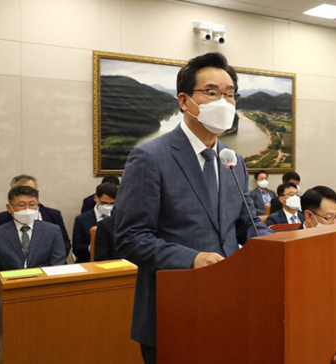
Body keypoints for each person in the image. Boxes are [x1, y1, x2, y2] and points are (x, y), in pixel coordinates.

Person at [114, 52, 272, 364]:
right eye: (212, 93)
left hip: (228, 305)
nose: (223, 102)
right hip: (174, 308)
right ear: (185, 101)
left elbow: (248, 223)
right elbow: (130, 237)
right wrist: (192, 259)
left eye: (229, 95)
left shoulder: (232, 160)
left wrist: (280, 246)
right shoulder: (150, 157)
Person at [0, 174, 70, 256]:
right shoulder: (1, 220)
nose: (26, 194)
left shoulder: (53, 215)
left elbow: (64, 243)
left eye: (30, 191)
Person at [0, 186, 66, 270]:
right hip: (9, 280)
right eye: (22, 205)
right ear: (9, 208)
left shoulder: (52, 231)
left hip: (43, 280)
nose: (27, 209)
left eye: (32, 205)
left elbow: (57, 264)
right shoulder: (0, 233)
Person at [72, 182, 117, 263]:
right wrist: (93, 248)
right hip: (88, 261)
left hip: (114, 262)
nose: (108, 206)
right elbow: (77, 249)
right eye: (104, 203)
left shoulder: (119, 218)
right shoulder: (81, 219)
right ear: (96, 198)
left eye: (112, 203)